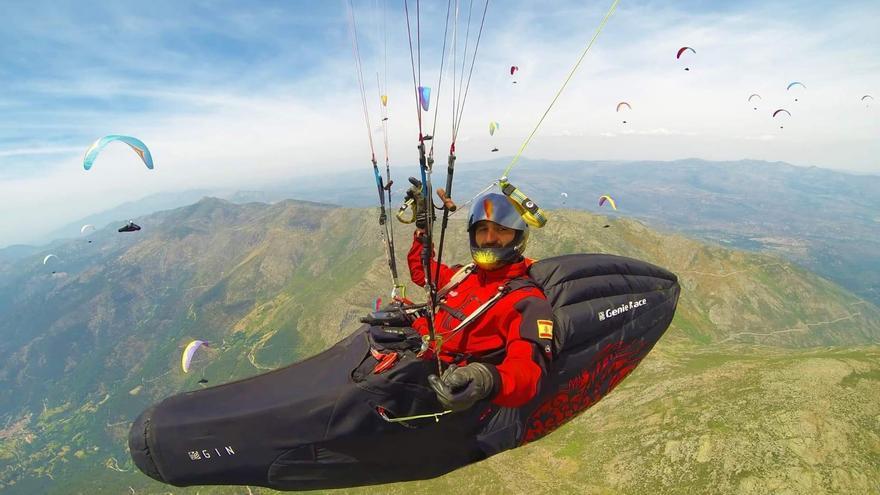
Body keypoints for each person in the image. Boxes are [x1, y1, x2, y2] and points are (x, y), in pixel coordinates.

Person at [407, 189, 554, 412]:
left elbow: (528, 373)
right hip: (417, 356)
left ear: (517, 235)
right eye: (482, 229)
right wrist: (422, 230)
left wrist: (484, 378)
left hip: (447, 388)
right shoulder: (465, 275)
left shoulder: (526, 302)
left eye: (501, 229)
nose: (489, 239)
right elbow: (422, 272)